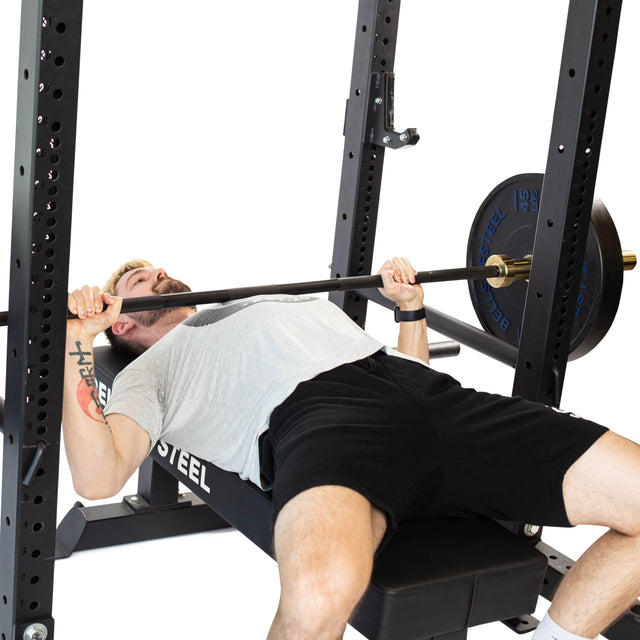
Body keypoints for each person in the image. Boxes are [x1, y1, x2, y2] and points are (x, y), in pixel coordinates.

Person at [63, 257, 640, 640]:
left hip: (429, 397)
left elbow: (411, 366)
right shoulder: (151, 371)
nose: (157, 271)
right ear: (122, 325)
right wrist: (76, 344)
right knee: (318, 596)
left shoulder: (281, 300)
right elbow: (98, 476)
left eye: (155, 267)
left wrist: (409, 308)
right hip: (320, 424)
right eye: (138, 280)